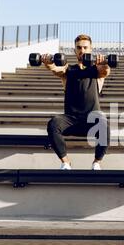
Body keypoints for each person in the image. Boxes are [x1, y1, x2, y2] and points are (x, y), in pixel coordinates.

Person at [44, 34, 111, 170]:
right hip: (71, 121)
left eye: (85, 47)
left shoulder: (97, 70)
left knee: (103, 122)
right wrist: (48, 63)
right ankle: (66, 162)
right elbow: (56, 69)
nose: (82, 50)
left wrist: (104, 64)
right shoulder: (68, 70)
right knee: (53, 123)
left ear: (90, 49)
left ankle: (97, 162)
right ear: (75, 51)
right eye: (79, 48)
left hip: (92, 122)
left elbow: (105, 71)